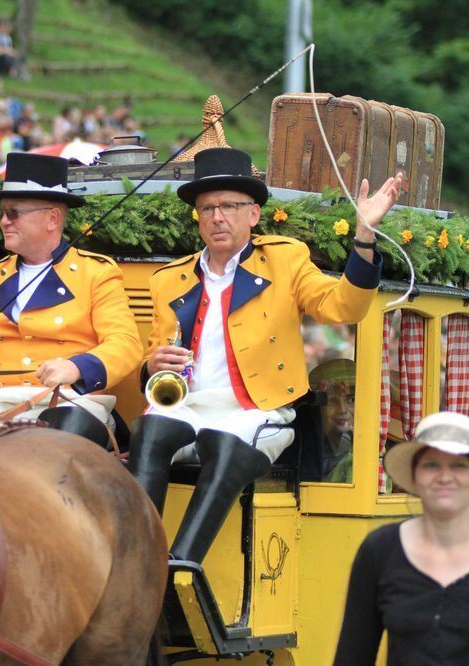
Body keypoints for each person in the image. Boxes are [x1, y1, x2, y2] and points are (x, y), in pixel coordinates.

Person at [128, 148, 404, 565]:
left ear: (254, 215)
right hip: (187, 405)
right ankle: (138, 560)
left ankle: (182, 565)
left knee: (225, 443)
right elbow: (154, 356)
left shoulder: (285, 258)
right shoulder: (169, 278)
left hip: (258, 409)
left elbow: (343, 308)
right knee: (146, 433)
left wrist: (364, 235)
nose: (217, 217)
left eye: (229, 207)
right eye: (207, 209)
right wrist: (152, 366)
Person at [0, 153, 141, 441]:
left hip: (67, 401)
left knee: (60, 432)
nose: (3, 222)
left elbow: (125, 343)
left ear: (52, 218)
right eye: (2, 213)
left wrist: (76, 367)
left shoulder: (96, 274)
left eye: (14, 213)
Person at [335, 412, 469, 665]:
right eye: (431, 464)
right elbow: (352, 655)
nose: (444, 477)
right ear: (414, 475)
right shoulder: (381, 549)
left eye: (459, 465)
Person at [310, 359, 356, 483]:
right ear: (318, 407)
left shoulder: (363, 451)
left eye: (351, 400)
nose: (342, 410)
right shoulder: (307, 451)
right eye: (332, 401)